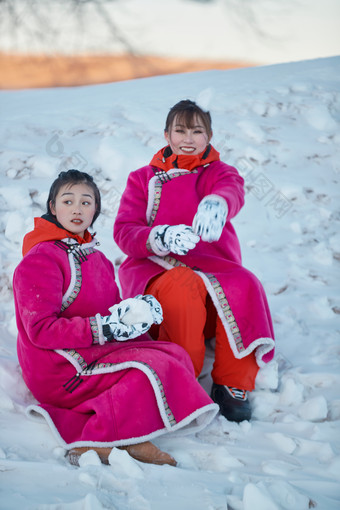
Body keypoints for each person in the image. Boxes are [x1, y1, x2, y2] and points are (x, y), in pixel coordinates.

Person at [13, 169, 218, 468]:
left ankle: (126, 430)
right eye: (68, 201)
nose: (77, 209)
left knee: (173, 354)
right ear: (53, 207)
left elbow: (111, 310)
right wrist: (104, 328)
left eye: (86, 202)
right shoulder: (40, 258)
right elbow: (40, 330)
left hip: (91, 348)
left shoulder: (97, 258)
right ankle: (106, 441)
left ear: (96, 209)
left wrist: (137, 314)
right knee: (148, 369)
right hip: (58, 365)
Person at [114, 100, 275, 423]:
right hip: (155, 265)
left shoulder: (221, 172)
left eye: (197, 131)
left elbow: (233, 190)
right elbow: (124, 231)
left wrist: (218, 202)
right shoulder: (142, 178)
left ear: (210, 136)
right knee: (182, 286)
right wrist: (160, 238)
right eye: (180, 130)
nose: (189, 138)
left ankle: (233, 383)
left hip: (213, 263)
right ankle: (182, 379)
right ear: (167, 134)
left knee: (245, 283)